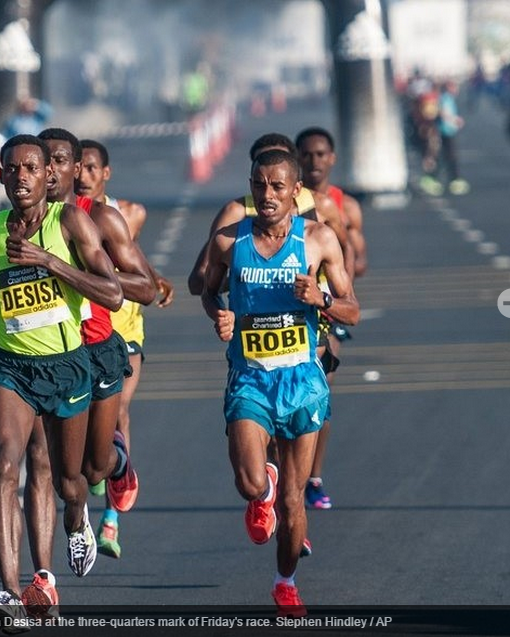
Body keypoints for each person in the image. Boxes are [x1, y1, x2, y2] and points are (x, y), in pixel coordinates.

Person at [0, 134, 123, 623]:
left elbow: (112, 293)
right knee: (5, 467)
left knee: (68, 481)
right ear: (1, 175)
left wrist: (49, 261)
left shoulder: (69, 222)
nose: (22, 177)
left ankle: (77, 516)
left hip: (66, 365)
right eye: (13, 169)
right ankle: (13, 592)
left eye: (32, 168)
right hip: (11, 366)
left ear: (48, 175)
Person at [201, 149, 359, 617]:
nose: (267, 195)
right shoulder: (229, 241)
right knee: (250, 483)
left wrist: (321, 298)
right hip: (250, 377)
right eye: (259, 185)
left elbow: (352, 310)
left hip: (303, 381)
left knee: (294, 501)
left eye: (277, 186)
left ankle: (285, 582)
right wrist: (220, 314)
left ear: (296, 191)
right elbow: (208, 290)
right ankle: (261, 488)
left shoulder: (318, 239)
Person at [76, 137, 175, 558]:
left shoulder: (130, 212)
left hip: (124, 324)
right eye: (77, 167)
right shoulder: (63, 215)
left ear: (106, 173)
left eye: (91, 168)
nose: (83, 176)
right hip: (83, 328)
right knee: (79, 426)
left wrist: (154, 277)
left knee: (119, 411)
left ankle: (112, 517)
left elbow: (128, 252)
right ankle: (98, 467)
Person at [295, 126, 369, 510]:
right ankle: (284, 473)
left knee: (321, 392)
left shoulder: (342, 205)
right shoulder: (278, 203)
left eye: (321, 154)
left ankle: (313, 476)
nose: (314, 162)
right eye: (307, 155)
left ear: (332, 158)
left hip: (325, 309)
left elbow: (355, 254)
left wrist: (340, 290)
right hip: (286, 310)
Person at [187, 133, 353, 298]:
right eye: (264, 161)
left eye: (279, 161)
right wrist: (244, 278)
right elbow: (197, 282)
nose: (271, 168)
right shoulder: (236, 212)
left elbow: (346, 248)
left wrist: (333, 296)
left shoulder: (321, 205)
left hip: (316, 308)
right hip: (253, 310)